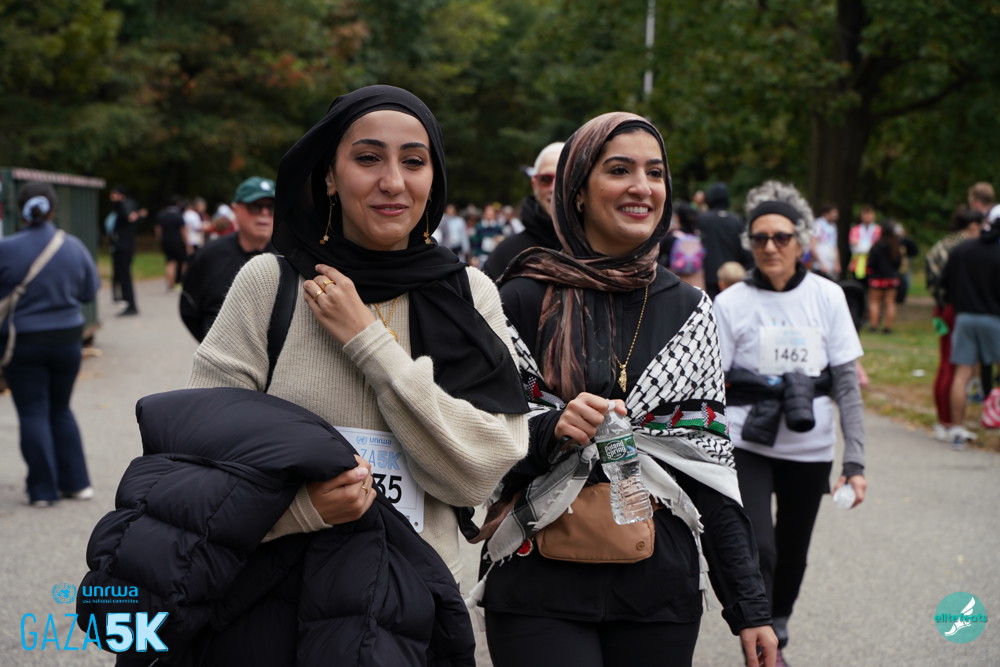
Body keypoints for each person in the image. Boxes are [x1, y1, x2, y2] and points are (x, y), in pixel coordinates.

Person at [190, 85, 529, 576]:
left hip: (420, 598)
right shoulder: (271, 285)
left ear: (434, 178)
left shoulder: (470, 294)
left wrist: (369, 343)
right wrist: (301, 510)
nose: (393, 182)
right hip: (283, 591)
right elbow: (199, 459)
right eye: (368, 158)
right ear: (329, 176)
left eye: (414, 162)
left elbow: (480, 472)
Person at [477, 112, 777, 667]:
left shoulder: (689, 312)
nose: (642, 187)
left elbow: (709, 467)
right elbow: (476, 442)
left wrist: (750, 608)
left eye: (655, 173)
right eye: (620, 170)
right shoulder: (518, 299)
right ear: (578, 191)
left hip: (657, 588)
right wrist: (551, 428)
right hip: (537, 582)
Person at [714, 180, 867, 666]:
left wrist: (855, 461)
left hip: (810, 446)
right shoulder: (730, 303)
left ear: (801, 242)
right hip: (748, 441)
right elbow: (712, 386)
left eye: (781, 237)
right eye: (759, 238)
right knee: (760, 546)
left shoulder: (828, 296)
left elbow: (847, 385)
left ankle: (778, 623)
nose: (770, 247)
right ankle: (760, 635)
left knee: (794, 550)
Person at [0, 182, 99, 507]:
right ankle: (77, 484)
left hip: (22, 341)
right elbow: (88, 292)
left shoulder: (6, 248)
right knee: (61, 408)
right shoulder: (73, 246)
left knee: (33, 410)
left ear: (20, 210)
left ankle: (43, 491)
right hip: (68, 339)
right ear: (53, 209)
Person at [180, 176, 276, 341]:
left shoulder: (291, 257)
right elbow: (189, 308)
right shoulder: (209, 255)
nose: (265, 213)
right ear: (235, 209)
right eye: (255, 207)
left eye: (272, 207)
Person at [940, 207, 1000, 450]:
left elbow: (945, 283)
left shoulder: (962, 249)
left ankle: (957, 428)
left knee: (962, 373)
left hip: (964, 317)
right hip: (994, 318)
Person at [926, 207, 984, 441]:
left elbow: (933, 281)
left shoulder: (942, 244)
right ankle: (949, 420)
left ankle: (943, 419)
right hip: (954, 308)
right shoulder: (965, 248)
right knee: (954, 365)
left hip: (940, 309)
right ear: (973, 226)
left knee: (944, 363)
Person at [483, 141, 565, 280]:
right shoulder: (506, 253)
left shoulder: (597, 246)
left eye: (562, 179)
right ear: (534, 185)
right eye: (545, 179)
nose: (553, 188)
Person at [699, 181, 752, 298]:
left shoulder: (703, 220)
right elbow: (744, 248)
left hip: (710, 276)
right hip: (733, 276)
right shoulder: (736, 220)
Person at [107, 185, 142, 315]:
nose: (112, 197)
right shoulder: (128, 205)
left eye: (114, 194)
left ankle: (130, 305)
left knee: (125, 276)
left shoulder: (123, 205)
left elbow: (129, 215)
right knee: (122, 275)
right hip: (124, 246)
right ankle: (126, 301)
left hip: (122, 246)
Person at [865, 222, 902, 333]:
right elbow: (898, 263)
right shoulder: (895, 246)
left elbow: (871, 262)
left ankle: (874, 325)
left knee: (874, 302)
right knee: (890, 303)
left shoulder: (876, 245)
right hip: (892, 278)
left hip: (877, 278)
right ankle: (888, 327)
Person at [660, 200, 706, 289]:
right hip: (696, 280)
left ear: (678, 218)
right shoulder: (699, 236)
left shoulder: (673, 236)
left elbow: (660, 254)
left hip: (675, 279)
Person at [155, 195, 188, 289]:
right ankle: (183, 282)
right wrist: (186, 243)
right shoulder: (178, 216)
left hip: (166, 241)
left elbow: (158, 230)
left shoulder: (161, 215)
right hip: (178, 242)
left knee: (170, 262)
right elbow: (183, 231)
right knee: (184, 262)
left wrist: (160, 240)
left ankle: (170, 284)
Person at [847, 204, 880, 282]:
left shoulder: (878, 230)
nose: (867, 216)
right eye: (865, 214)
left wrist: (861, 244)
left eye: (870, 214)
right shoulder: (855, 229)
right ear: (861, 216)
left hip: (874, 263)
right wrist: (869, 245)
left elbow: (878, 247)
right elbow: (854, 246)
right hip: (857, 263)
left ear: (874, 216)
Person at [810, 202, 840, 279]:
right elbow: (813, 244)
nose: (836, 215)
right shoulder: (817, 224)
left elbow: (834, 246)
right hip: (819, 266)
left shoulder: (833, 226)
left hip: (830, 266)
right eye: (833, 212)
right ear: (826, 213)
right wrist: (820, 263)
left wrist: (837, 263)